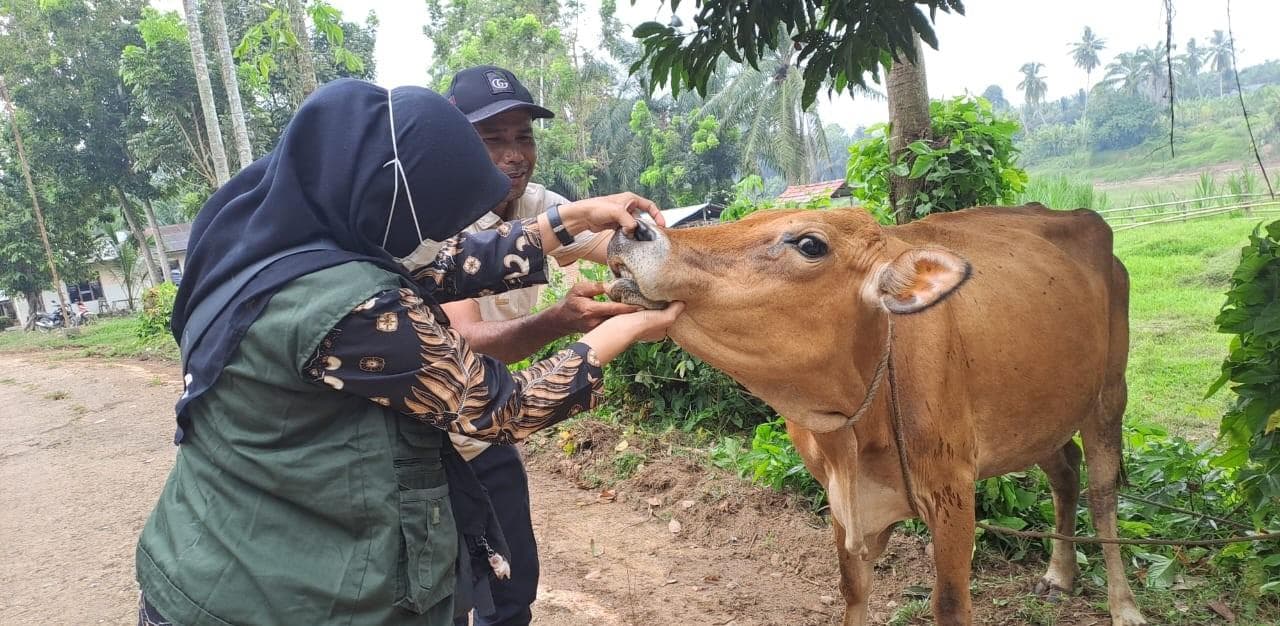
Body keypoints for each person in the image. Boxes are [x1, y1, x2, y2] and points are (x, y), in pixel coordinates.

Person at [133, 78, 682, 626]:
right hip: (274, 601)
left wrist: (568, 222)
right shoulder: (348, 304)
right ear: (386, 190)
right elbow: (503, 407)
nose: (436, 233)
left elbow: (434, 266)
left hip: (207, 556)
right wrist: (619, 332)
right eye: (431, 211)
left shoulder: (260, 243)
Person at [431, 65, 636, 626]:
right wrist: (562, 320)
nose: (513, 153)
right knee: (441, 598)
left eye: (523, 136)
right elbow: (468, 342)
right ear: (454, 144)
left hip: (492, 431)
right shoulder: (433, 218)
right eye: (492, 138)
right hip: (421, 446)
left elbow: (611, 245)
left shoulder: (538, 205)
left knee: (512, 591)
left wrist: (711, 258)